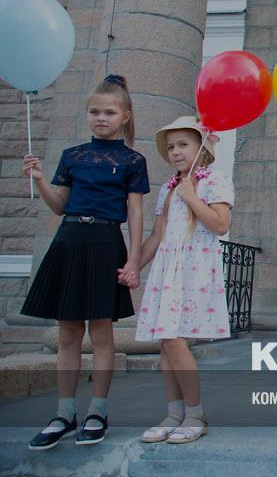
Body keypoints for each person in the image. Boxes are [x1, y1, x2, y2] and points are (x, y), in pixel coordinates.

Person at [22, 74, 148, 449]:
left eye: (109, 112)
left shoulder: (132, 160)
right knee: (68, 332)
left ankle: (98, 411)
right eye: (94, 112)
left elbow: (135, 213)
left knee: (102, 332)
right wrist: (40, 180)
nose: (101, 118)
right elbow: (59, 206)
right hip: (70, 241)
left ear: (124, 116)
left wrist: (134, 260)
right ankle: (64, 413)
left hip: (106, 243)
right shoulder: (73, 156)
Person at [132, 116, 234, 444]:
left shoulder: (214, 181)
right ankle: (174, 413)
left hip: (194, 269)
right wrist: (133, 265)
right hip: (168, 269)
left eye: (183, 144)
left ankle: (195, 414)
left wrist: (191, 198)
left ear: (202, 148)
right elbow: (157, 234)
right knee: (166, 342)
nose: (175, 151)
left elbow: (220, 225)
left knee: (175, 340)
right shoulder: (168, 187)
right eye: (171, 147)